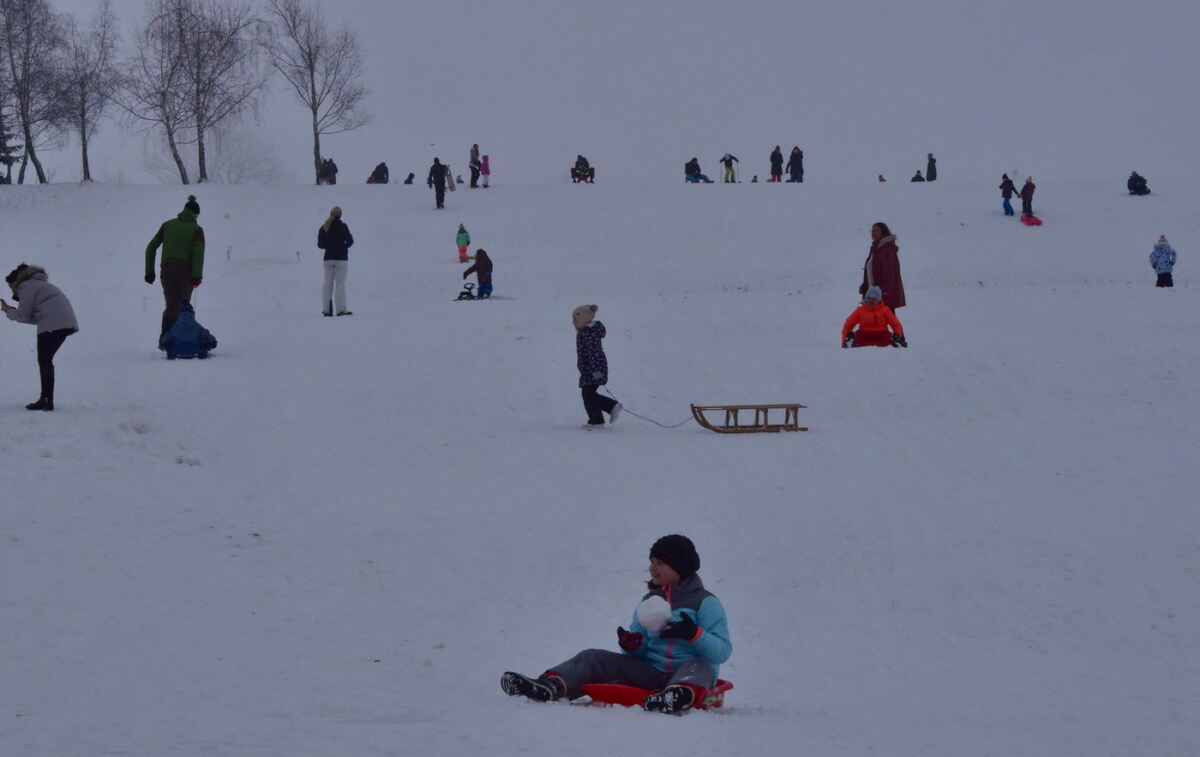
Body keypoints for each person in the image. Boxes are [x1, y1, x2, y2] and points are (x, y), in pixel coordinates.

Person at [501, 534, 732, 714]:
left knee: (700, 666)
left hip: (688, 675)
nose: (652, 568)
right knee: (592, 657)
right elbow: (640, 651)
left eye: (660, 562)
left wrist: (694, 634)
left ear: (679, 566)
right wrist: (631, 645)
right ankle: (548, 687)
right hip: (652, 672)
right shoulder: (650, 602)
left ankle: (676, 697)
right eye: (651, 561)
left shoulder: (705, 603)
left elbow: (722, 652)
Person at [2, 264, 78, 410]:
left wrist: (8, 311)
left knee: (44, 361)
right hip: (63, 323)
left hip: (52, 325)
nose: (12, 290)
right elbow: (35, 317)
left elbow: (23, 315)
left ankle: (46, 400)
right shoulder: (40, 284)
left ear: (14, 282)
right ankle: (46, 399)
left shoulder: (25, 286)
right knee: (45, 361)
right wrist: (13, 312)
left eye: (10, 287)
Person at [145, 194, 205, 337]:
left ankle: (166, 338)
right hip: (186, 271)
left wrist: (149, 271)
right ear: (196, 215)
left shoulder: (167, 225)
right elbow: (198, 253)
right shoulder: (196, 229)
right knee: (184, 306)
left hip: (167, 271)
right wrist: (197, 275)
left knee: (172, 306)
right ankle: (185, 338)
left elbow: (151, 247)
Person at [572, 304, 622, 426]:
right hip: (592, 369)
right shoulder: (589, 331)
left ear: (582, 318)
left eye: (575, 319)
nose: (573, 322)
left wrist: (595, 373)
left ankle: (601, 416)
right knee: (589, 394)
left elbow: (592, 354)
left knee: (588, 394)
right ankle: (605, 412)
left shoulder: (587, 333)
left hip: (593, 370)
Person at [859, 222, 906, 310]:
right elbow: (871, 270)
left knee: (885, 318)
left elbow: (889, 272)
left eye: (876, 231)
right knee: (874, 320)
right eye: (872, 231)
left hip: (882, 294)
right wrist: (865, 286)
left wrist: (884, 291)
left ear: (883, 232)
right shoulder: (875, 248)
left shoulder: (887, 249)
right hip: (873, 292)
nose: (873, 233)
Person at [318, 206, 353, 316]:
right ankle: (341, 310)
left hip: (328, 259)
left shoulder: (324, 227)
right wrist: (344, 247)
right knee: (340, 284)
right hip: (341, 260)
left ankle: (327, 310)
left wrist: (329, 246)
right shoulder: (343, 226)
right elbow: (350, 241)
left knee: (327, 284)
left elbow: (320, 244)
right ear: (340, 215)